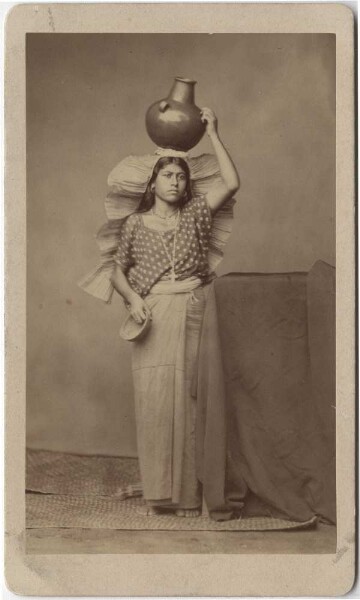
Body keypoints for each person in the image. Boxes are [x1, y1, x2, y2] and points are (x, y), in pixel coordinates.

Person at [110, 108, 240, 517]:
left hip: (196, 309)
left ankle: (189, 495)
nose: (176, 181)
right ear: (152, 182)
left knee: (192, 400)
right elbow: (117, 271)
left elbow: (232, 182)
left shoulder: (199, 213)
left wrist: (214, 132)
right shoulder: (134, 224)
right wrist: (133, 299)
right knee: (154, 401)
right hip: (152, 315)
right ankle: (158, 492)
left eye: (181, 176)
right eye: (167, 175)